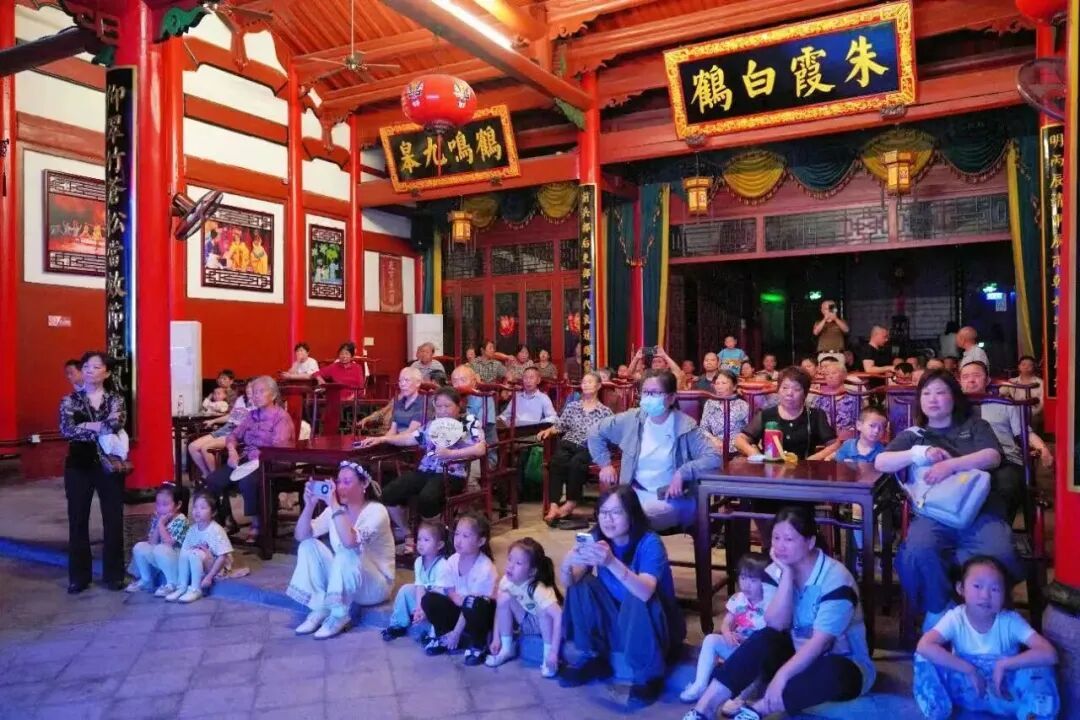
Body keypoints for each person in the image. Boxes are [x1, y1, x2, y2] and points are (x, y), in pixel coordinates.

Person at [685, 506, 875, 720]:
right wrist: (786, 575)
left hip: (844, 663)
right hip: (795, 655)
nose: (780, 546)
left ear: (810, 542)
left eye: (788, 539)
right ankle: (703, 709)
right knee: (764, 638)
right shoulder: (776, 571)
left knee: (832, 671)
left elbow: (820, 643)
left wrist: (782, 676)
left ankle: (758, 709)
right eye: (776, 538)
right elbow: (775, 624)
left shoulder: (836, 579)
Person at [874, 370, 1022, 632]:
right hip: (935, 515)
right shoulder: (915, 434)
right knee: (917, 553)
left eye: (940, 392)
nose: (933, 399)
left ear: (954, 397)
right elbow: (881, 462)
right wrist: (919, 453)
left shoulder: (975, 426)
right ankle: (940, 610)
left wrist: (951, 465)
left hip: (980, 511)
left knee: (1001, 553)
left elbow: (992, 456)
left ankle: (983, 619)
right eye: (926, 393)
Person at [559, 486, 685, 706]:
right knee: (581, 584)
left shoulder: (650, 543)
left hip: (654, 628)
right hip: (619, 623)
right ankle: (593, 656)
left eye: (616, 512)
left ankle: (649, 676)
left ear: (632, 515)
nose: (608, 519)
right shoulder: (598, 538)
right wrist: (567, 565)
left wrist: (611, 562)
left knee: (636, 592)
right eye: (603, 512)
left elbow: (645, 591)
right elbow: (571, 582)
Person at [914, 555, 1059, 720]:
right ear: (961, 588)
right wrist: (969, 669)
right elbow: (924, 646)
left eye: (995, 589)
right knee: (924, 657)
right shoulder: (955, 618)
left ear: (1004, 594)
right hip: (966, 690)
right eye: (977, 586)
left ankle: (1033, 714)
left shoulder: (1010, 621)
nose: (985, 596)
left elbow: (1049, 653)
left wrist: (1004, 664)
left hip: (1005, 693)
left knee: (1041, 667)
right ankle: (937, 710)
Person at [587, 370, 721, 532]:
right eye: (646, 392)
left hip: (671, 498)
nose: (649, 398)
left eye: (655, 393)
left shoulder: (686, 426)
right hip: (634, 494)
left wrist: (683, 472)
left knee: (626, 519)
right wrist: (605, 464)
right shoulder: (632, 419)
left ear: (671, 398)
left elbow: (714, 457)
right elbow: (595, 431)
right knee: (604, 523)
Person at [361, 387, 486, 548]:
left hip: (451, 473)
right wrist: (383, 439)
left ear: (458, 405)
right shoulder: (433, 424)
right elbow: (410, 438)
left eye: (447, 406)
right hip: (425, 470)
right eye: (439, 406)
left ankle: (434, 536)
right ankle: (408, 533)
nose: (443, 410)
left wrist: (450, 454)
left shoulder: (469, 421)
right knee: (388, 494)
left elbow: (480, 449)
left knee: (427, 498)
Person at [288, 461, 395, 639]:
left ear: (364, 484)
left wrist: (334, 506)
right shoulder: (335, 509)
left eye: (347, 482)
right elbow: (301, 535)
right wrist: (309, 506)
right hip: (350, 577)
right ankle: (321, 607)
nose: (340, 487)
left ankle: (339, 615)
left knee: (348, 549)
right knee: (308, 545)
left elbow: (350, 541)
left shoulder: (377, 511)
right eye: (338, 482)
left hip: (375, 586)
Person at [59, 351, 128, 593]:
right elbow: (67, 430)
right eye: (86, 366)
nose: (89, 370)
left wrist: (86, 425)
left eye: (96, 367)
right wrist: (99, 427)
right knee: (78, 520)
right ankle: (79, 577)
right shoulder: (70, 400)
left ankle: (114, 575)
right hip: (78, 465)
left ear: (106, 373)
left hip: (108, 464)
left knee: (113, 519)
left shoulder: (115, 399)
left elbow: (116, 423)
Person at [203, 375, 295, 544]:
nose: (256, 396)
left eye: (261, 392)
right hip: (246, 460)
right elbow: (233, 435)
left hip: (272, 463)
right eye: (254, 392)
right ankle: (226, 520)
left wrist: (256, 458)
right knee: (213, 480)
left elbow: (279, 448)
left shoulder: (281, 417)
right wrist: (232, 450)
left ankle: (257, 523)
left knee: (247, 481)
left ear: (274, 395)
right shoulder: (251, 416)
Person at [959, 361, 1052, 519]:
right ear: (960, 382)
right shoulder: (953, 408)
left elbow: (1024, 433)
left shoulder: (1004, 404)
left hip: (1005, 461)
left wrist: (1043, 448)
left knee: (1006, 486)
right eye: (965, 377)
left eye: (976, 376)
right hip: (964, 461)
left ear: (987, 380)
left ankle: (998, 527)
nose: (971, 380)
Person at [680, 552, 770, 706]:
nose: (746, 585)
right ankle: (700, 684)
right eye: (743, 578)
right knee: (710, 640)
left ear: (766, 582)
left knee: (758, 675)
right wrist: (727, 633)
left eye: (753, 580)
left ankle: (741, 697)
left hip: (755, 656)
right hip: (736, 648)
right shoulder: (738, 599)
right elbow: (726, 623)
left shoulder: (770, 603)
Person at [421, 513, 498, 664]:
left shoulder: (485, 568)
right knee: (429, 599)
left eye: (465, 536)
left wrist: (457, 632)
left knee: (472, 603)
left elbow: (470, 602)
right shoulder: (452, 560)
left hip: (477, 615)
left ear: (481, 541)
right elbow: (445, 589)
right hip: (460, 611)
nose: (458, 540)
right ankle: (444, 635)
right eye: (457, 534)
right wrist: (455, 598)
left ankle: (478, 643)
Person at [539, 372, 614, 527]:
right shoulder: (573, 406)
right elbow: (560, 426)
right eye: (584, 382)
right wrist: (548, 431)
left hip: (588, 446)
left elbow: (611, 434)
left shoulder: (605, 412)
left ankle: (570, 503)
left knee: (576, 463)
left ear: (598, 386)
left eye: (590, 382)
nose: (585, 384)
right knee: (557, 461)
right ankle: (554, 505)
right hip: (569, 442)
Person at [485, 538, 563, 678]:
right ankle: (507, 648)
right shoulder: (507, 580)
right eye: (510, 559)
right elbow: (499, 608)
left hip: (545, 627)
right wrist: (496, 638)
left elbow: (558, 616)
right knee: (503, 597)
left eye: (518, 563)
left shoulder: (539, 589)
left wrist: (554, 653)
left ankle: (547, 657)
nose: (510, 566)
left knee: (544, 610)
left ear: (532, 571)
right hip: (526, 622)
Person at [736, 367, 840, 461]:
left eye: (796, 389)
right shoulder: (766, 414)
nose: (789, 393)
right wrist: (754, 453)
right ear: (778, 390)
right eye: (785, 388)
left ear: (805, 393)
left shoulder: (815, 415)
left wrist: (812, 460)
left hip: (805, 471)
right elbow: (740, 440)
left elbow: (834, 444)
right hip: (771, 470)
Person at [382, 519, 450, 641]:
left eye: (426, 540)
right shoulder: (419, 562)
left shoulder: (443, 565)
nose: (421, 544)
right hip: (425, 602)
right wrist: (419, 607)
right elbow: (420, 586)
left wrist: (424, 610)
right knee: (405, 590)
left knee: (433, 605)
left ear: (439, 545)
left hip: (437, 605)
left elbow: (439, 594)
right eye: (419, 539)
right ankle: (398, 624)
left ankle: (433, 635)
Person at [166, 492, 234, 603]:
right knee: (186, 553)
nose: (197, 511)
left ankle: (195, 589)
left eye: (202, 508)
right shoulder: (192, 529)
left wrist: (209, 577)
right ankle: (182, 586)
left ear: (213, 512)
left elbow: (222, 557)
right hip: (200, 562)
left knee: (195, 553)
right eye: (195, 507)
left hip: (217, 567)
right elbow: (184, 551)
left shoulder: (216, 530)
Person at [126, 484, 190, 596]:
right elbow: (152, 542)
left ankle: (172, 583)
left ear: (178, 505)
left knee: (160, 549)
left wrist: (161, 524)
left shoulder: (181, 521)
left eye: (165, 504)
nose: (160, 508)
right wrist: (158, 524)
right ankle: (146, 579)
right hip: (159, 555)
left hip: (176, 558)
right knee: (140, 547)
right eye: (158, 504)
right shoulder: (157, 518)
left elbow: (169, 543)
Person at [188, 381, 252, 479]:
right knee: (192, 447)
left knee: (206, 448)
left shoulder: (260, 403)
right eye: (247, 387)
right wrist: (213, 421)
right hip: (227, 427)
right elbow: (231, 416)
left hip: (237, 432)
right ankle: (208, 476)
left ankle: (215, 479)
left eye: (251, 387)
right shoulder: (241, 399)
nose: (248, 390)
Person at [699, 369, 750, 456]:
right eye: (717, 383)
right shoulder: (710, 403)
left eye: (724, 383)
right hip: (715, 448)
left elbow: (751, 432)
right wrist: (713, 439)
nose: (719, 387)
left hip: (737, 450)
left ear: (734, 387)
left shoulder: (742, 405)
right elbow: (703, 428)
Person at [812, 358, 859, 431]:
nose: (830, 376)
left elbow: (860, 423)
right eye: (827, 374)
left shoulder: (854, 398)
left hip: (848, 435)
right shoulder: (819, 399)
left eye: (834, 373)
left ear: (844, 375)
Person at [1002, 355, 1044, 426]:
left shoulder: (1041, 383)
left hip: (1033, 413)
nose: (1026, 367)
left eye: (1029, 365)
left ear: (1034, 367)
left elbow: (1042, 405)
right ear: (1019, 366)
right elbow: (1000, 393)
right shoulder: (1012, 381)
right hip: (1015, 412)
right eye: (1023, 364)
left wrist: (1029, 413)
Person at [813, 299, 849, 363]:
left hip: (838, 353)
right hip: (824, 354)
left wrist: (835, 318)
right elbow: (815, 332)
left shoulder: (841, 321)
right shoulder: (818, 322)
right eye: (826, 309)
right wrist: (825, 319)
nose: (828, 311)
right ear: (822, 311)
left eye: (830, 308)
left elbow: (846, 330)